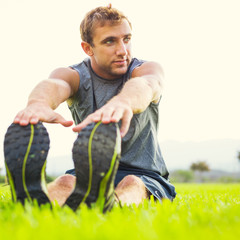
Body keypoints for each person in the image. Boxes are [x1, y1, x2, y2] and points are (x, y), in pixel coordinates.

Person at [4, 5, 176, 211]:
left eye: (127, 39)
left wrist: (123, 102)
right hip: (89, 173)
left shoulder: (145, 70)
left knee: (132, 183)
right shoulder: (76, 75)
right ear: (88, 48)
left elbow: (148, 85)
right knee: (65, 182)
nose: (123, 50)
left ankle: (113, 205)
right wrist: (38, 103)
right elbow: (55, 84)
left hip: (145, 175)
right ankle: (35, 202)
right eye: (110, 41)